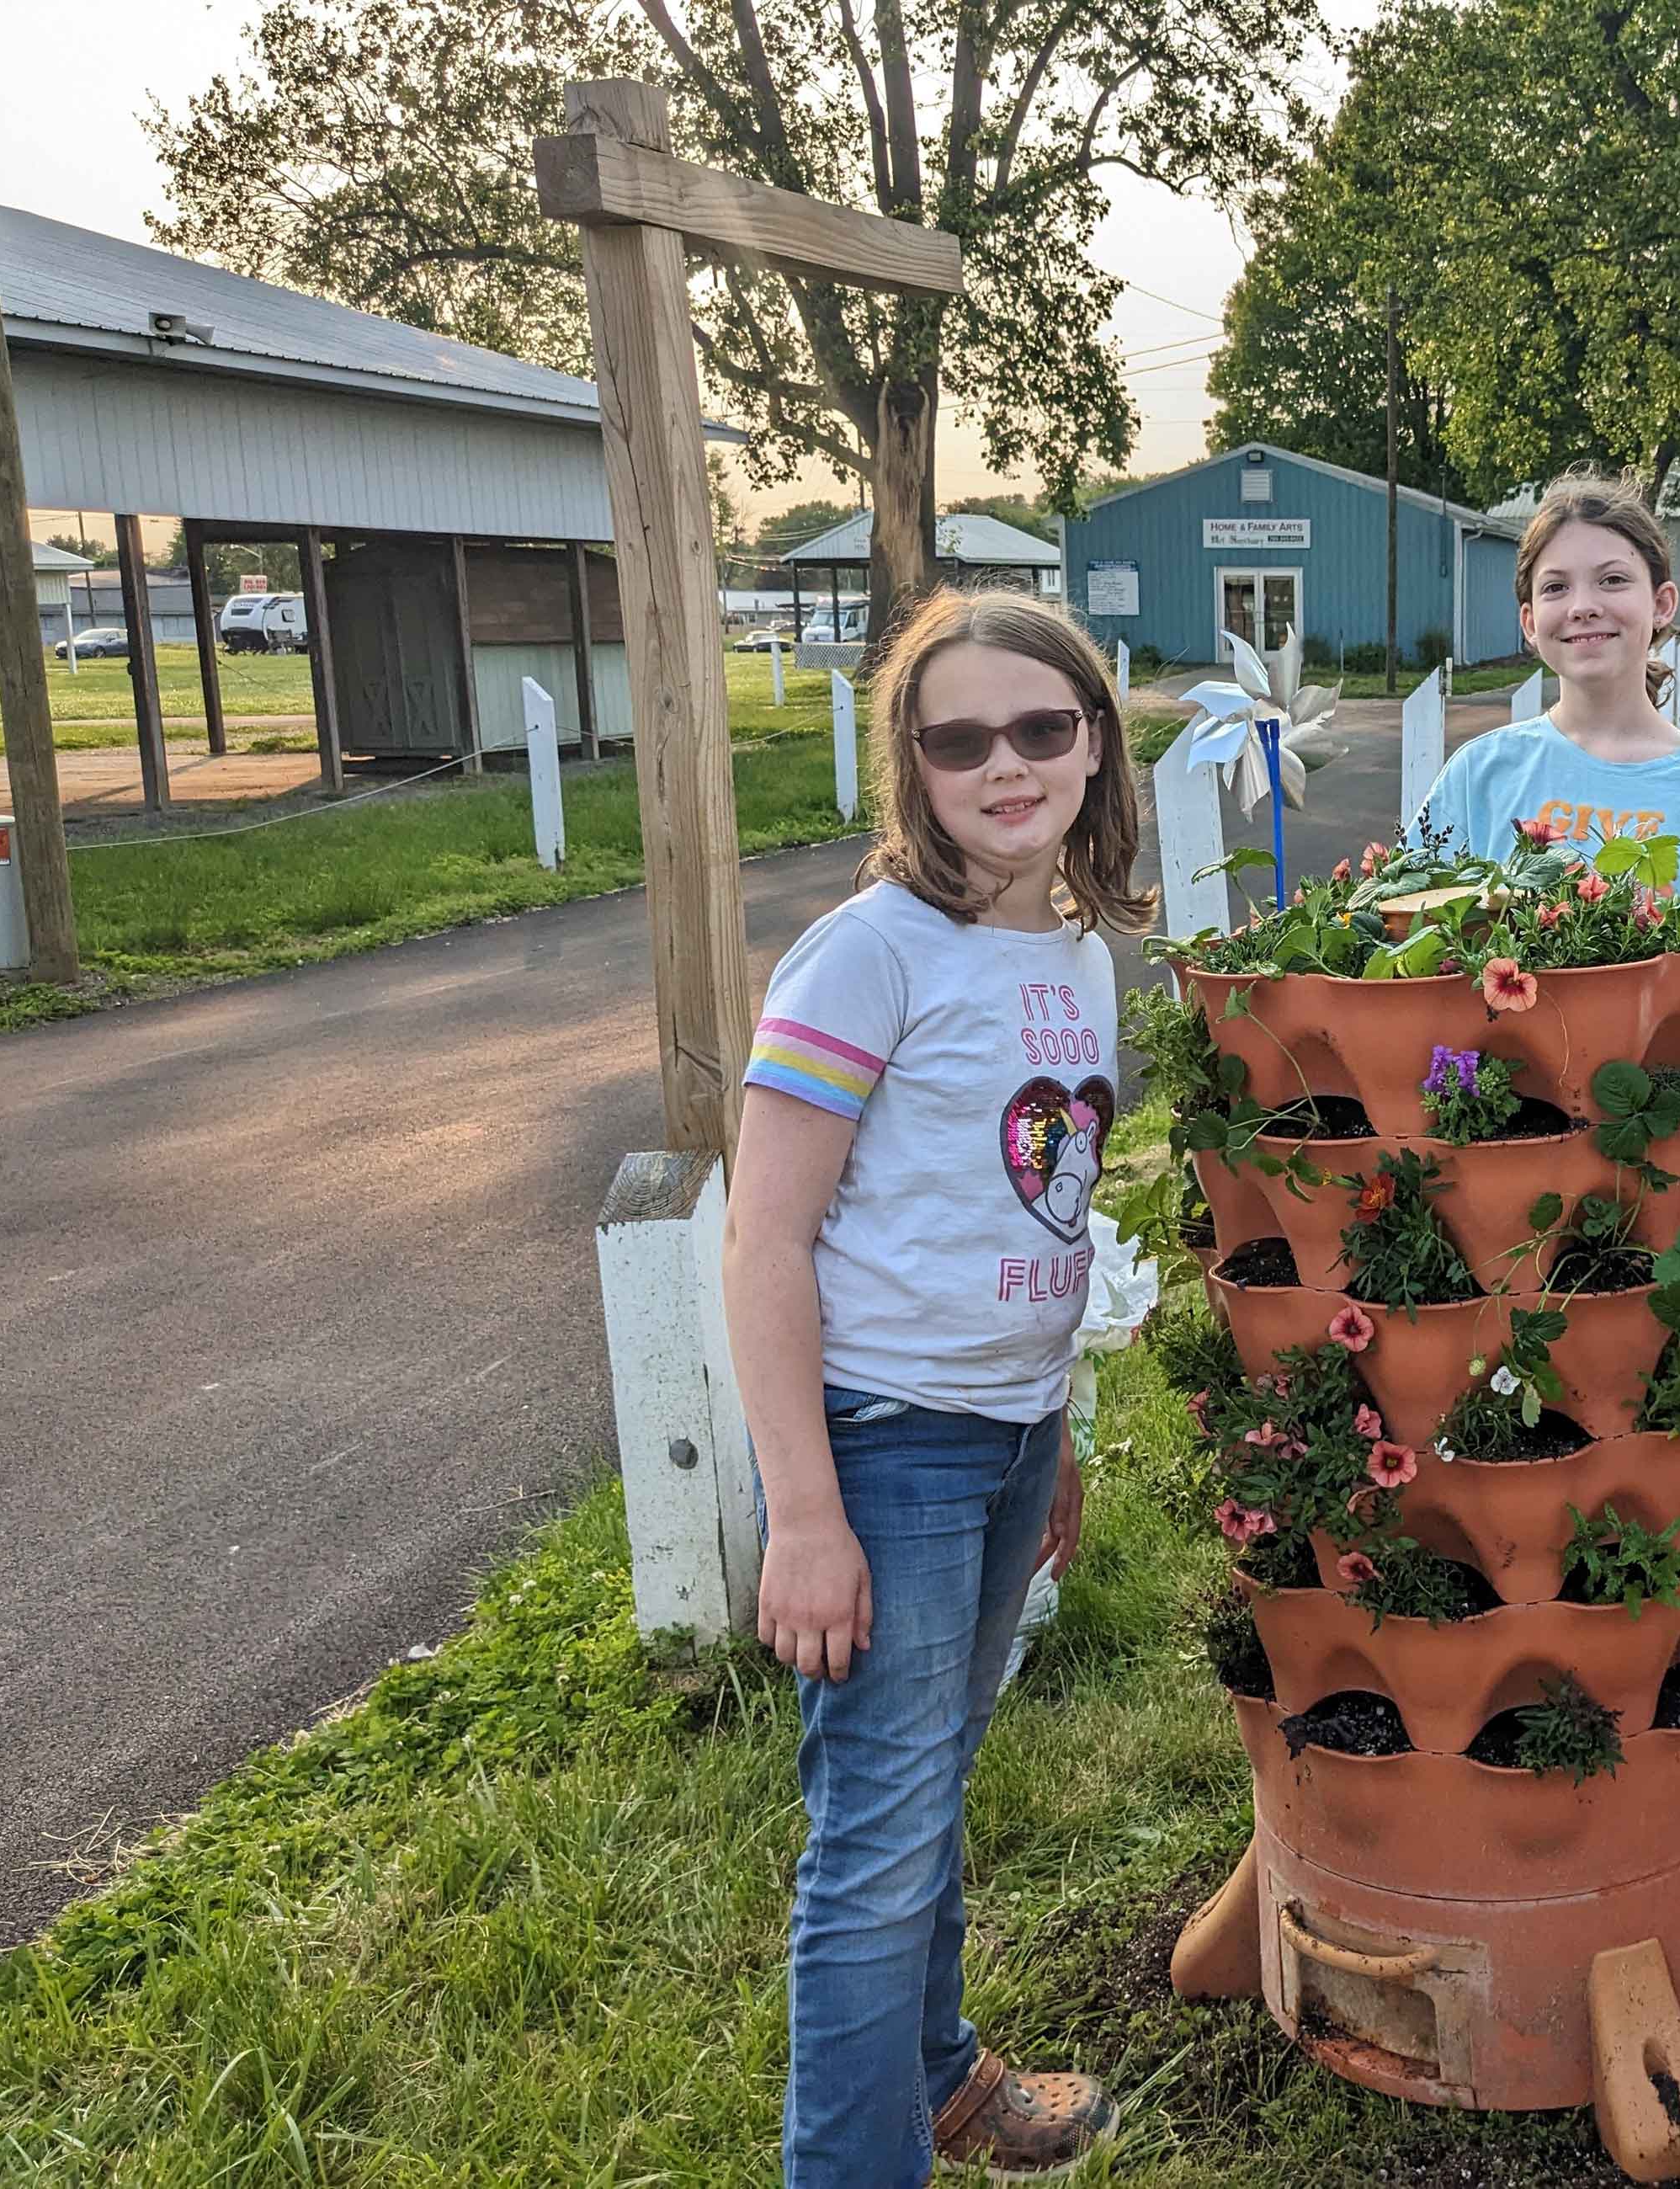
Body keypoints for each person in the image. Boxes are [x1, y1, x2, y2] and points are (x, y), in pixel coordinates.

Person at [722, 588, 1151, 2186]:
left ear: (1095, 743)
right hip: (884, 1446)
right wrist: (807, 1518)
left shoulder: (1081, 954)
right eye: (960, 738)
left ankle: (944, 2079)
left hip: (1007, 1432)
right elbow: (764, 1243)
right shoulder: (864, 956)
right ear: (914, 763)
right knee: (876, 1848)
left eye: (1040, 729)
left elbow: (1042, 1220)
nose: (1006, 765)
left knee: (935, 1782)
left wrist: (1060, 1438)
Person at [1415, 472, 1680, 909]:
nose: (1583, 606)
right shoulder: (1480, 774)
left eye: (1612, 580)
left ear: (1661, 604)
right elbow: (1401, 935)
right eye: (1556, 587)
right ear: (1530, 622)